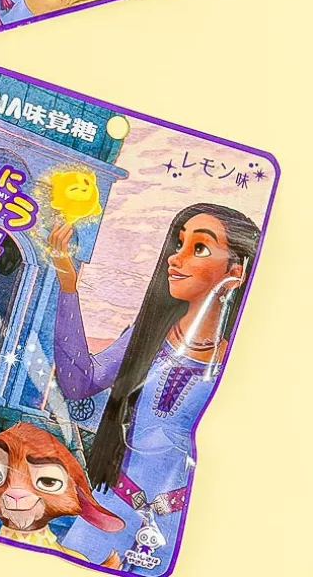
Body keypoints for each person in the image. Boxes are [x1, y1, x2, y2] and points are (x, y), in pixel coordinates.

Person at [49, 203, 259, 571]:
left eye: (199, 247)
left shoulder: (241, 365)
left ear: (235, 272)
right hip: (110, 510)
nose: (175, 258)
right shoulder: (147, 337)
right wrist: (68, 285)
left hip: (180, 525)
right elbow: (79, 382)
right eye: (179, 244)